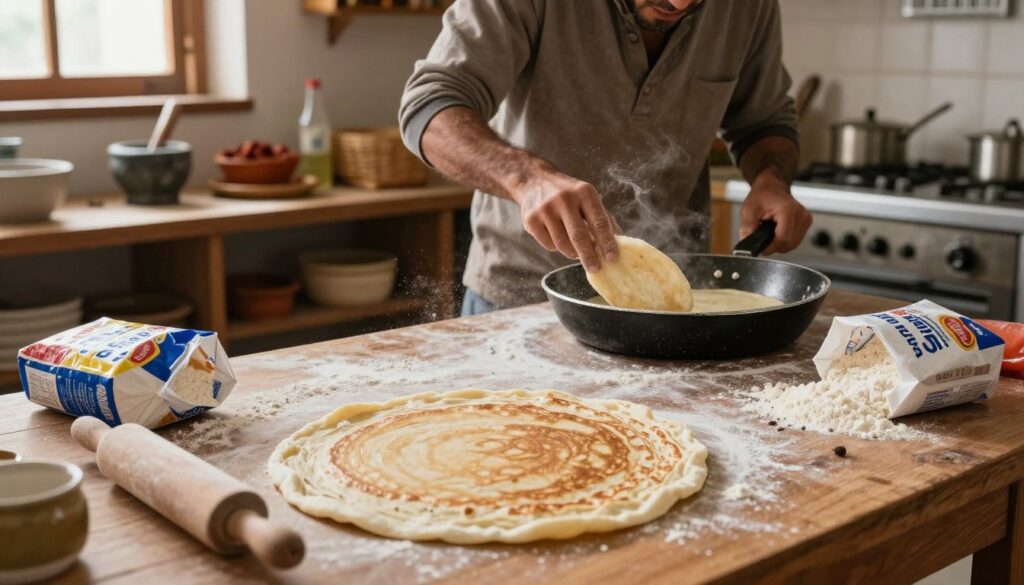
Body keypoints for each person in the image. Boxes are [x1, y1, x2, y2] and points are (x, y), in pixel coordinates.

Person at [399, 0, 813, 316]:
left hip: (676, 305)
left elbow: (763, 123)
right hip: (523, 298)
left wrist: (771, 181)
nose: (681, 3)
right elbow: (429, 106)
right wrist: (527, 178)